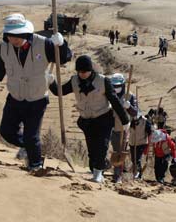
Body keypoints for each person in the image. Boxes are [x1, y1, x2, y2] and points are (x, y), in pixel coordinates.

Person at [0, 13, 72, 172]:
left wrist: (62, 44)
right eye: (10, 35)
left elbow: (65, 58)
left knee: (32, 136)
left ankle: (36, 165)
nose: (14, 39)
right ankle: (28, 147)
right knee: (6, 131)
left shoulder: (43, 44)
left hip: (37, 99)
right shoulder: (4, 48)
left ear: (25, 32)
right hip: (15, 98)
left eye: (17, 35)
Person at [50, 55, 130, 183]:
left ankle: (98, 174)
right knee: (92, 151)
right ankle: (99, 168)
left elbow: (114, 101)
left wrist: (125, 120)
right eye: (79, 72)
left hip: (103, 119)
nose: (82, 74)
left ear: (91, 70)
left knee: (102, 147)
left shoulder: (103, 81)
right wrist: (51, 82)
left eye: (85, 72)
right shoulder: (74, 81)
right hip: (87, 121)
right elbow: (60, 92)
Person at [109, 73, 138, 182]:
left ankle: (118, 175)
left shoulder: (130, 96)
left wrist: (129, 106)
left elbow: (135, 113)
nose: (116, 88)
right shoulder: (109, 95)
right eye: (114, 86)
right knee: (107, 149)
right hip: (110, 127)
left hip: (123, 129)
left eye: (118, 86)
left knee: (120, 151)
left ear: (123, 85)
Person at [128, 112, 152, 179]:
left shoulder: (145, 122)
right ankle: (137, 173)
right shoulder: (131, 119)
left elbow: (150, 133)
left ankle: (137, 174)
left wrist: (149, 145)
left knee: (137, 159)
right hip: (132, 142)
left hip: (141, 143)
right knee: (133, 159)